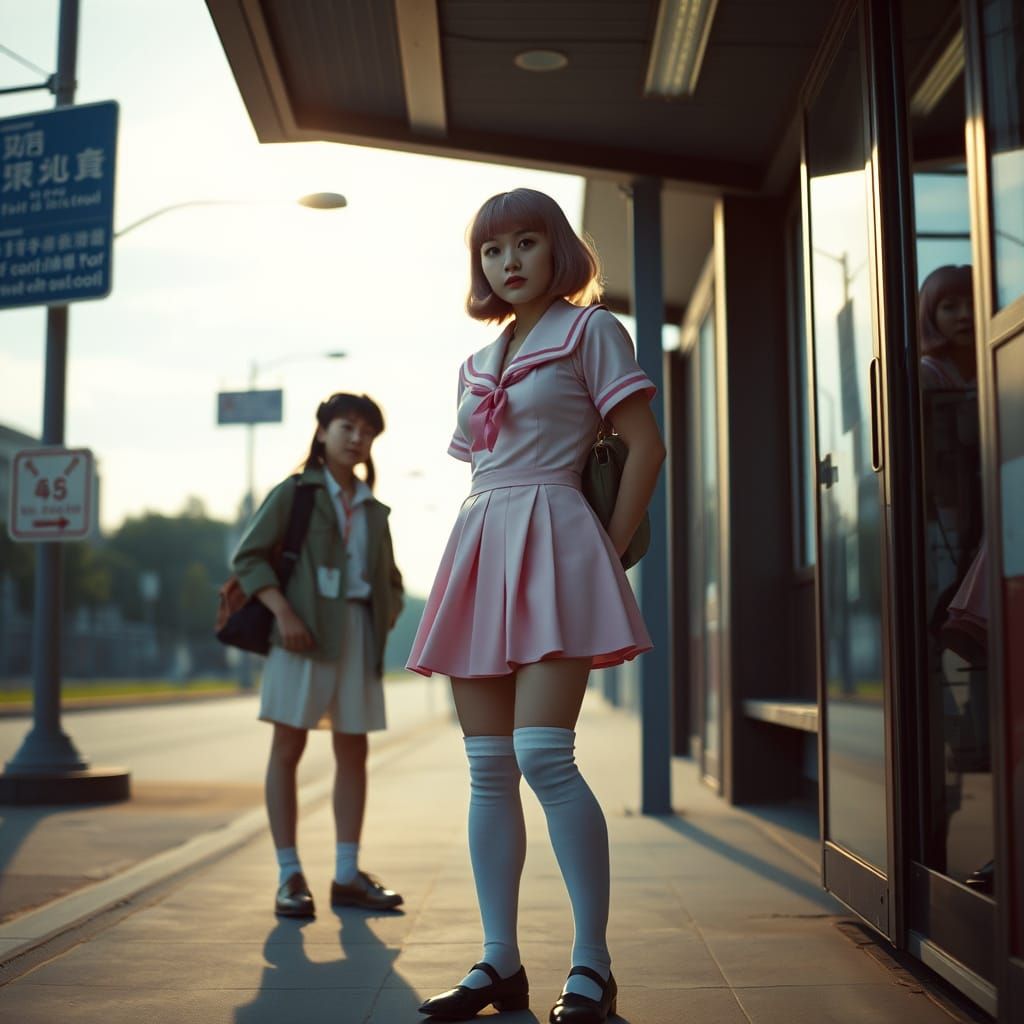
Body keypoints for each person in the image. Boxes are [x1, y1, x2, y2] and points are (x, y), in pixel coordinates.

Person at [408, 189, 665, 1023]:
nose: (508, 261)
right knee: (488, 767)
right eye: (492, 249)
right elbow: (481, 466)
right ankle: (500, 962)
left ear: (558, 248)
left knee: (544, 755)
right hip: (481, 545)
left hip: (558, 543)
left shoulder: (591, 331)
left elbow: (645, 446)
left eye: (525, 241)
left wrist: (607, 553)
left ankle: (593, 965)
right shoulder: (474, 363)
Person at [231, 392, 405, 918]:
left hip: (356, 634)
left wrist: (387, 611)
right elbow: (248, 557)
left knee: (354, 750)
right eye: (347, 427)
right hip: (299, 635)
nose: (357, 438)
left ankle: (347, 875)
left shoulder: (373, 508)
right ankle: (289, 875)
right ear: (323, 431)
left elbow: (390, 578)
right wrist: (283, 613)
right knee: (288, 746)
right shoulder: (295, 493)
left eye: (367, 432)